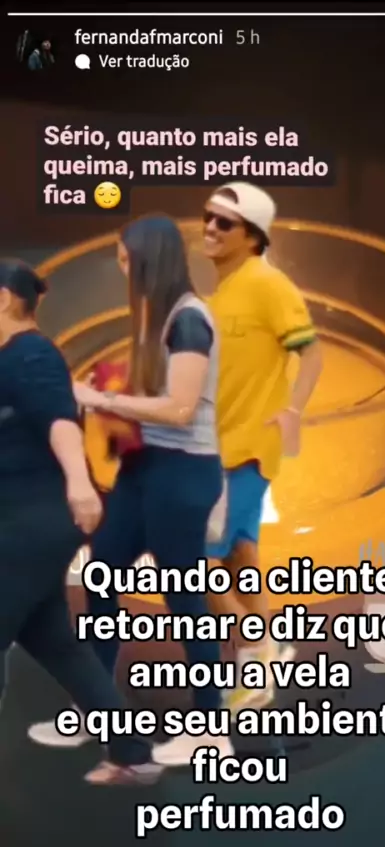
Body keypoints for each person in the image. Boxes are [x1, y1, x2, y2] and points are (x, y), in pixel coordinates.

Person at [28, 214, 232, 771]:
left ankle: (211, 730)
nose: (122, 269)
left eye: (126, 259)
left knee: (184, 599)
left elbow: (181, 408)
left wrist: (101, 400)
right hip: (145, 468)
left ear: (150, 261)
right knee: (103, 577)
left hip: (183, 473)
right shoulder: (155, 317)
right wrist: (111, 388)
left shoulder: (189, 320)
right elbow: (153, 395)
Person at [0, 258, 162, 786]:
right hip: (29, 520)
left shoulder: (30, 353)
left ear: (3, 299)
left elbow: (60, 422)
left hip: (34, 520)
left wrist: (78, 483)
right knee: (57, 643)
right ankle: (133, 754)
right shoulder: (13, 357)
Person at [203, 182, 322, 712]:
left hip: (246, 451)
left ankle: (256, 660)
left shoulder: (268, 285)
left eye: (224, 223)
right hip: (217, 450)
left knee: (197, 569)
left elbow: (312, 354)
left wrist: (293, 409)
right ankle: (266, 649)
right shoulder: (221, 292)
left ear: (253, 237)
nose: (210, 228)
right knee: (239, 555)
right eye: (208, 217)